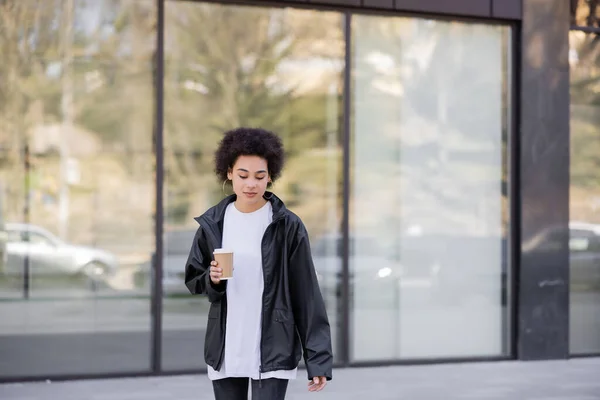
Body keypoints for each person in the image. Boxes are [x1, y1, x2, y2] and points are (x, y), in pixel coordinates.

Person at [184, 127, 333, 400]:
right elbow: (194, 279)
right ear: (229, 173)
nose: (250, 184)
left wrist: (318, 359)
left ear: (270, 177)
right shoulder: (213, 223)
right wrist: (212, 278)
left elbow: (307, 293)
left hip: (273, 343)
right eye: (243, 175)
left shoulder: (287, 225)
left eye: (259, 176)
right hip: (227, 343)